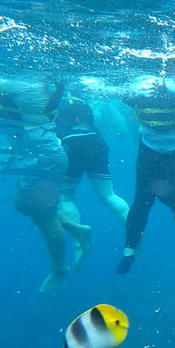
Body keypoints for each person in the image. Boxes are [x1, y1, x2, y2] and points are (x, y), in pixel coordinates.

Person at [83, 75, 175, 274]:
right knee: (142, 200)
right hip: (150, 150)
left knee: (164, 192)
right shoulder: (138, 83)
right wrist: (98, 87)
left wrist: (163, 83)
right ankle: (129, 251)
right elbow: (120, 92)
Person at [0, 77, 92, 292]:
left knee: (45, 217)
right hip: (31, 156)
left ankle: (60, 268)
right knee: (21, 205)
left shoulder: (18, 81)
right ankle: (78, 230)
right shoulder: (24, 80)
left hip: (44, 159)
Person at [55, 95, 129, 265]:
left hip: (71, 145)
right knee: (109, 195)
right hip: (97, 144)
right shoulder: (96, 131)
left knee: (65, 198)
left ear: (76, 118)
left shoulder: (67, 129)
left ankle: (78, 242)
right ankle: (135, 231)